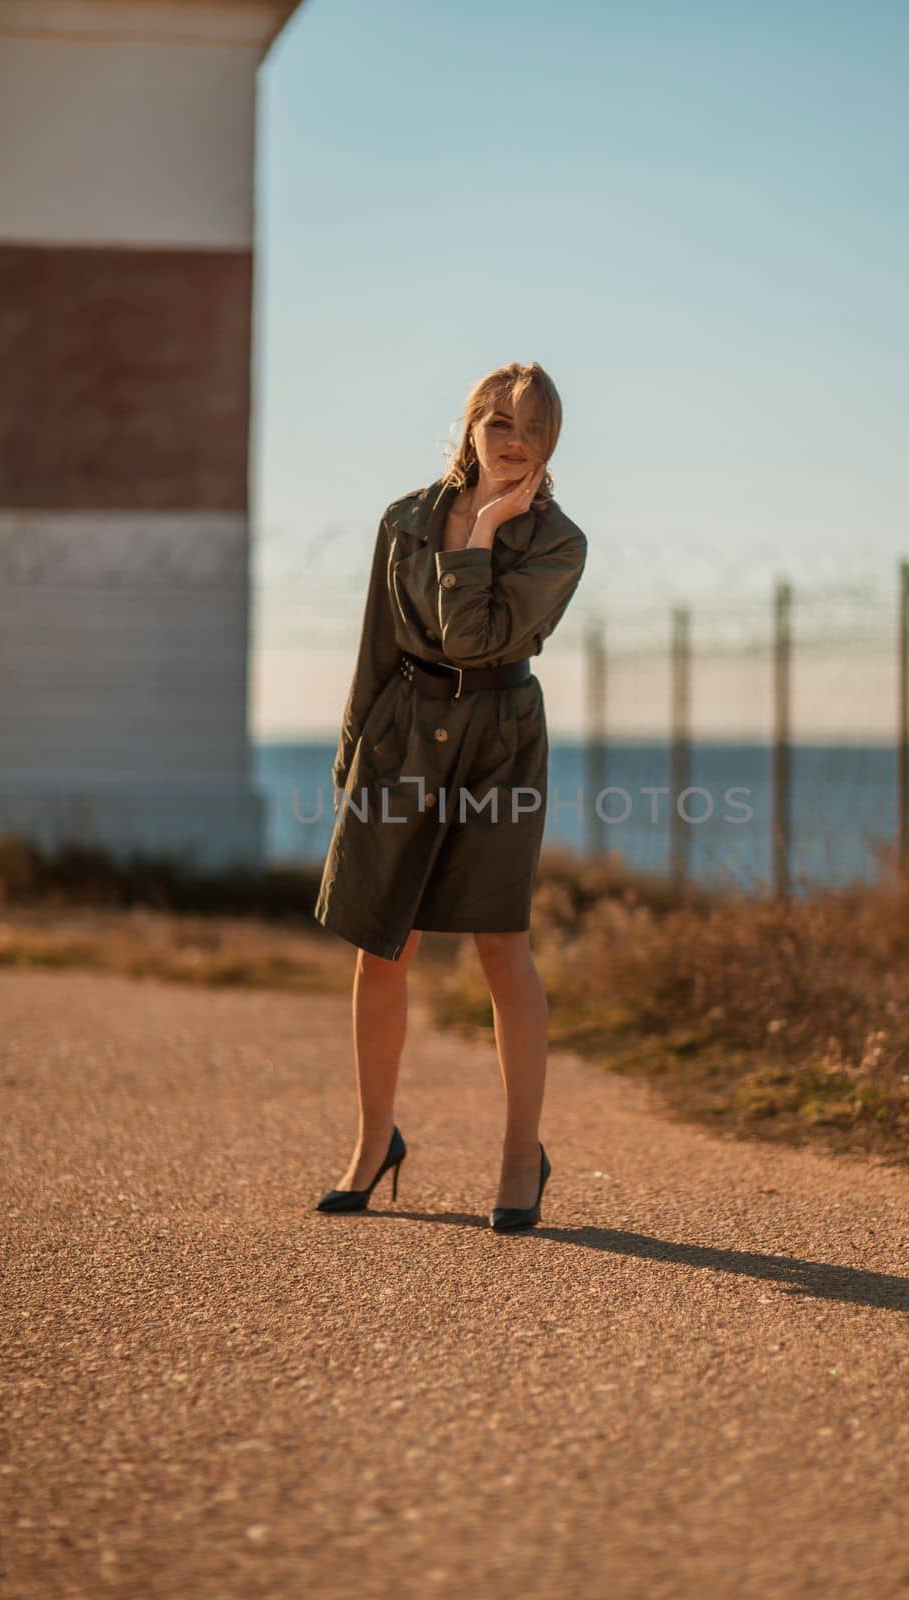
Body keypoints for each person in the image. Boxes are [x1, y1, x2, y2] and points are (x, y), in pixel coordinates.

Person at [312, 361, 588, 1230]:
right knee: (378, 947)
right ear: (471, 422)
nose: (513, 442)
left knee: (501, 944)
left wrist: (487, 532)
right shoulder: (403, 519)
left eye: (532, 430)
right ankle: (372, 1140)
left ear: (550, 443)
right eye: (499, 422)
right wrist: (353, 758)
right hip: (401, 737)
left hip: (499, 743)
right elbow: (375, 644)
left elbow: (476, 643)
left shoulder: (556, 542)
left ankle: (519, 1159)